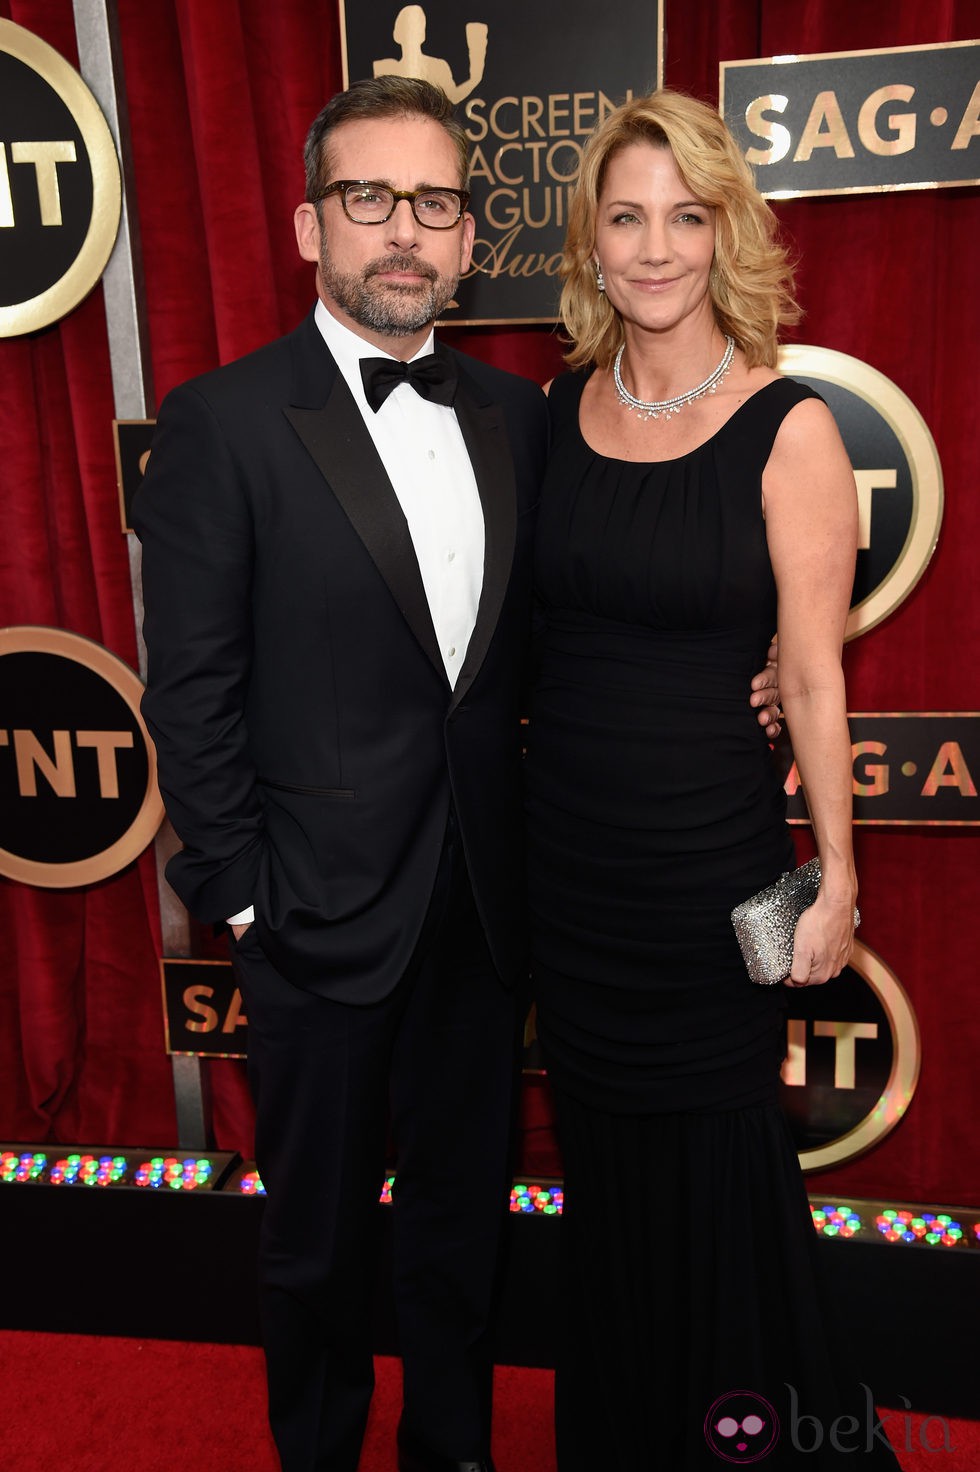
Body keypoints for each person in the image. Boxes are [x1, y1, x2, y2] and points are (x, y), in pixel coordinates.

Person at [133, 76, 778, 1472]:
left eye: (433, 203)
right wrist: (243, 902)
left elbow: (590, 610)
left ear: (471, 235)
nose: (403, 233)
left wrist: (766, 654)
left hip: (490, 911)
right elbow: (189, 693)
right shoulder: (220, 424)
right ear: (309, 226)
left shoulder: (520, 413)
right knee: (313, 1243)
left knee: (458, 1226)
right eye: (369, 199)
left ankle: (454, 1450)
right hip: (312, 917)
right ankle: (318, 1452)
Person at [524, 90, 901, 1468]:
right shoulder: (554, 417)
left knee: (721, 1170)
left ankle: (743, 1440)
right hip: (570, 871)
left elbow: (810, 676)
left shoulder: (791, 429)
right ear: (593, 243)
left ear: (726, 230)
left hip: (707, 874)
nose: (656, 245)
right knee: (608, 1178)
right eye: (627, 217)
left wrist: (841, 873)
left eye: (685, 215)